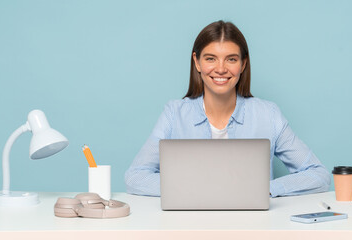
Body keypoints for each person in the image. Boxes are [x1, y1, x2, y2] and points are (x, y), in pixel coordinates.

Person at [125, 20, 330, 197]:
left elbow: (318, 174)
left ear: (242, 64)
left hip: (254, 225)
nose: (221, 68)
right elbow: (135, 176)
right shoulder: (174, 114)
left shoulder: (268, 115)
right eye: (210, 58)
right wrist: (193, 188)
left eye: (231, 59)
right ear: (196, 62)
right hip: (190, 223)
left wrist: (265, 189)